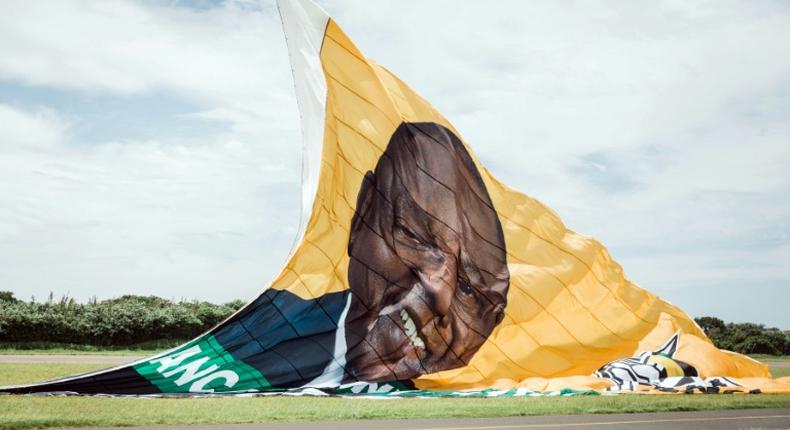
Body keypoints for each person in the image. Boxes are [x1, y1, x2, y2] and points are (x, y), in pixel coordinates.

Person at [343, 122, 510, 383]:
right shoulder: (268, 339)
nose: (442, 295)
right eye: (415, 236)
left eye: (468, 289)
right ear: (364, 212)